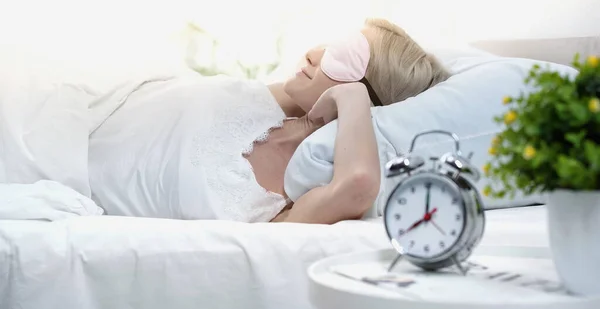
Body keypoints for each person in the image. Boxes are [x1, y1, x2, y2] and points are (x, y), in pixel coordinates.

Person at [88, 18, 451, 224]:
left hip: (64, 179)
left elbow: (358, 184)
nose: (314, 53)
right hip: (76, 119)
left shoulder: (295, 201)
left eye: (343, 57)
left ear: (371, 97)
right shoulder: (272, 101)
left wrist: (351, 97)